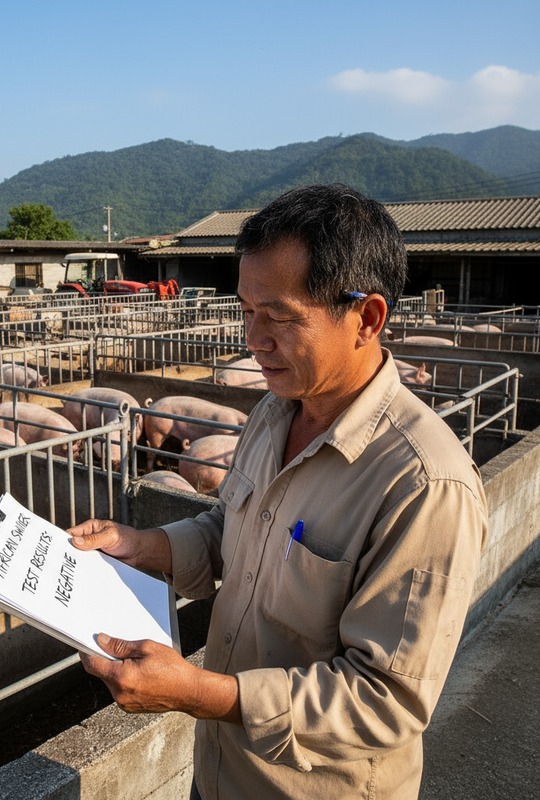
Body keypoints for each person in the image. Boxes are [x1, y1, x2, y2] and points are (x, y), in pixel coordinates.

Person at [70, 184, 487, 799]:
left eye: (282, 317)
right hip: (219, 772)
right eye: (246, 310)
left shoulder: (425, 484)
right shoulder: (274, 411)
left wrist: (200, 693)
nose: (255, 339)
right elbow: (231, 532)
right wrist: (143, 545)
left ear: (366, 318)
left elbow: (386, 700)